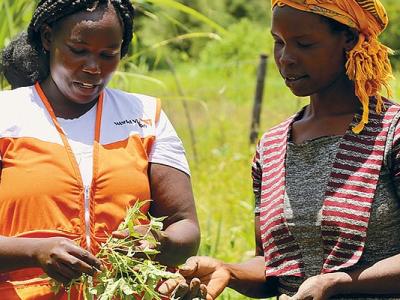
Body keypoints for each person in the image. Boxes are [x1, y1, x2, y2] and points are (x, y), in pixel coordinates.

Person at [159, 0, 400, 299]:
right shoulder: (272, 147)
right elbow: (274, 268)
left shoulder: (392, 132)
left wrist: (337, 283)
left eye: (304, 44)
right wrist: (229, 270)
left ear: (349, 39)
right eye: (278, 42)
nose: (286, 58)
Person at [0, 0, 200, 299]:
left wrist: (159, 241)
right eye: (78, 50)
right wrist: (34, 251)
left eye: (108, 54)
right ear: (47, 38)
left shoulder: (145, 117)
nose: (93, 68)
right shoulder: (7, 115)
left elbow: (184, 226)